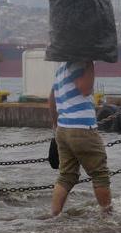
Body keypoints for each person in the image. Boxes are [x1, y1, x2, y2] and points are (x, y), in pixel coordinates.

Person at [48, 60, 112, 216]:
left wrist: (57, 126)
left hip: (63, 129)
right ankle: (108, 217)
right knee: (100, 174)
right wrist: (90, 63)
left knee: (66, 175)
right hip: (82, 127)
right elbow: (85, 89)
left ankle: (54, 215)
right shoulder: (79, 62)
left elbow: (50, 100)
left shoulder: (61, 69)